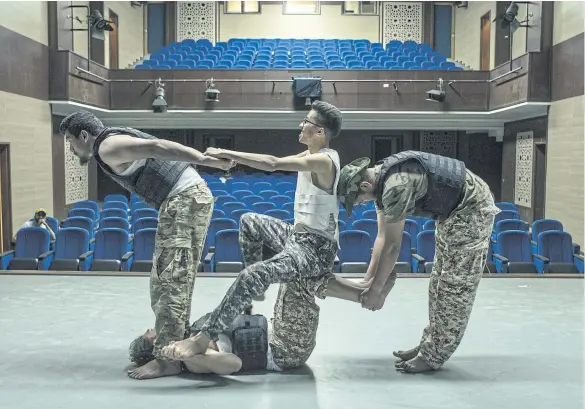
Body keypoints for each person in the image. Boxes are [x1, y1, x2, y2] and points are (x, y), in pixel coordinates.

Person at [157, 100, 349, 362]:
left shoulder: (324, 161)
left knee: (252, 274)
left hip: (315, 250)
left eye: (307, 122)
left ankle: (202, 338)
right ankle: (254, 293)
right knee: (248, 220)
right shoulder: (310, 156)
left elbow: (272, 163)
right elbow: (271, 162)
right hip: (298, 235)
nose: (301, 124)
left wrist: (229, 152)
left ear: (320, 132)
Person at [59, 111, 234, 380]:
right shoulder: (113, 138)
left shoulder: (106, 146)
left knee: (168, 281)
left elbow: (157, 146)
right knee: (172, 280)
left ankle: (167, 360)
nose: (71, 148)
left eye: (71, 140)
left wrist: (204, 159)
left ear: (84, 135)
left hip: (183, 199)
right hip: (185, 198)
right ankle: (177, 343)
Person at [336, 151, 500, 374]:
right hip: (452, 213)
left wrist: (375, 291)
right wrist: (370, 280)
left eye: (357, 200)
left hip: (471, 210)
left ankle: (434, 356)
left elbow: (394, 246)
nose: (359, 204)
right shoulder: (382, 181)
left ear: (364, 185)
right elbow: (382, 237)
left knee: (454, 288)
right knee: (437, 284)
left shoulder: (394, 186)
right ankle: (430, 344)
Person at [129, 274, 394, 377]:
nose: (153, 328)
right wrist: (193, 355)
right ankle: (367, 293)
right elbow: (233, 363)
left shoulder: (191, 333)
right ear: (157, 345)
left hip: (277, 331)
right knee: (300, 276)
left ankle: (364, 290)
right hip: (284, 351)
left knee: (298, 270)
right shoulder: (193, 361)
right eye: (150, 333)